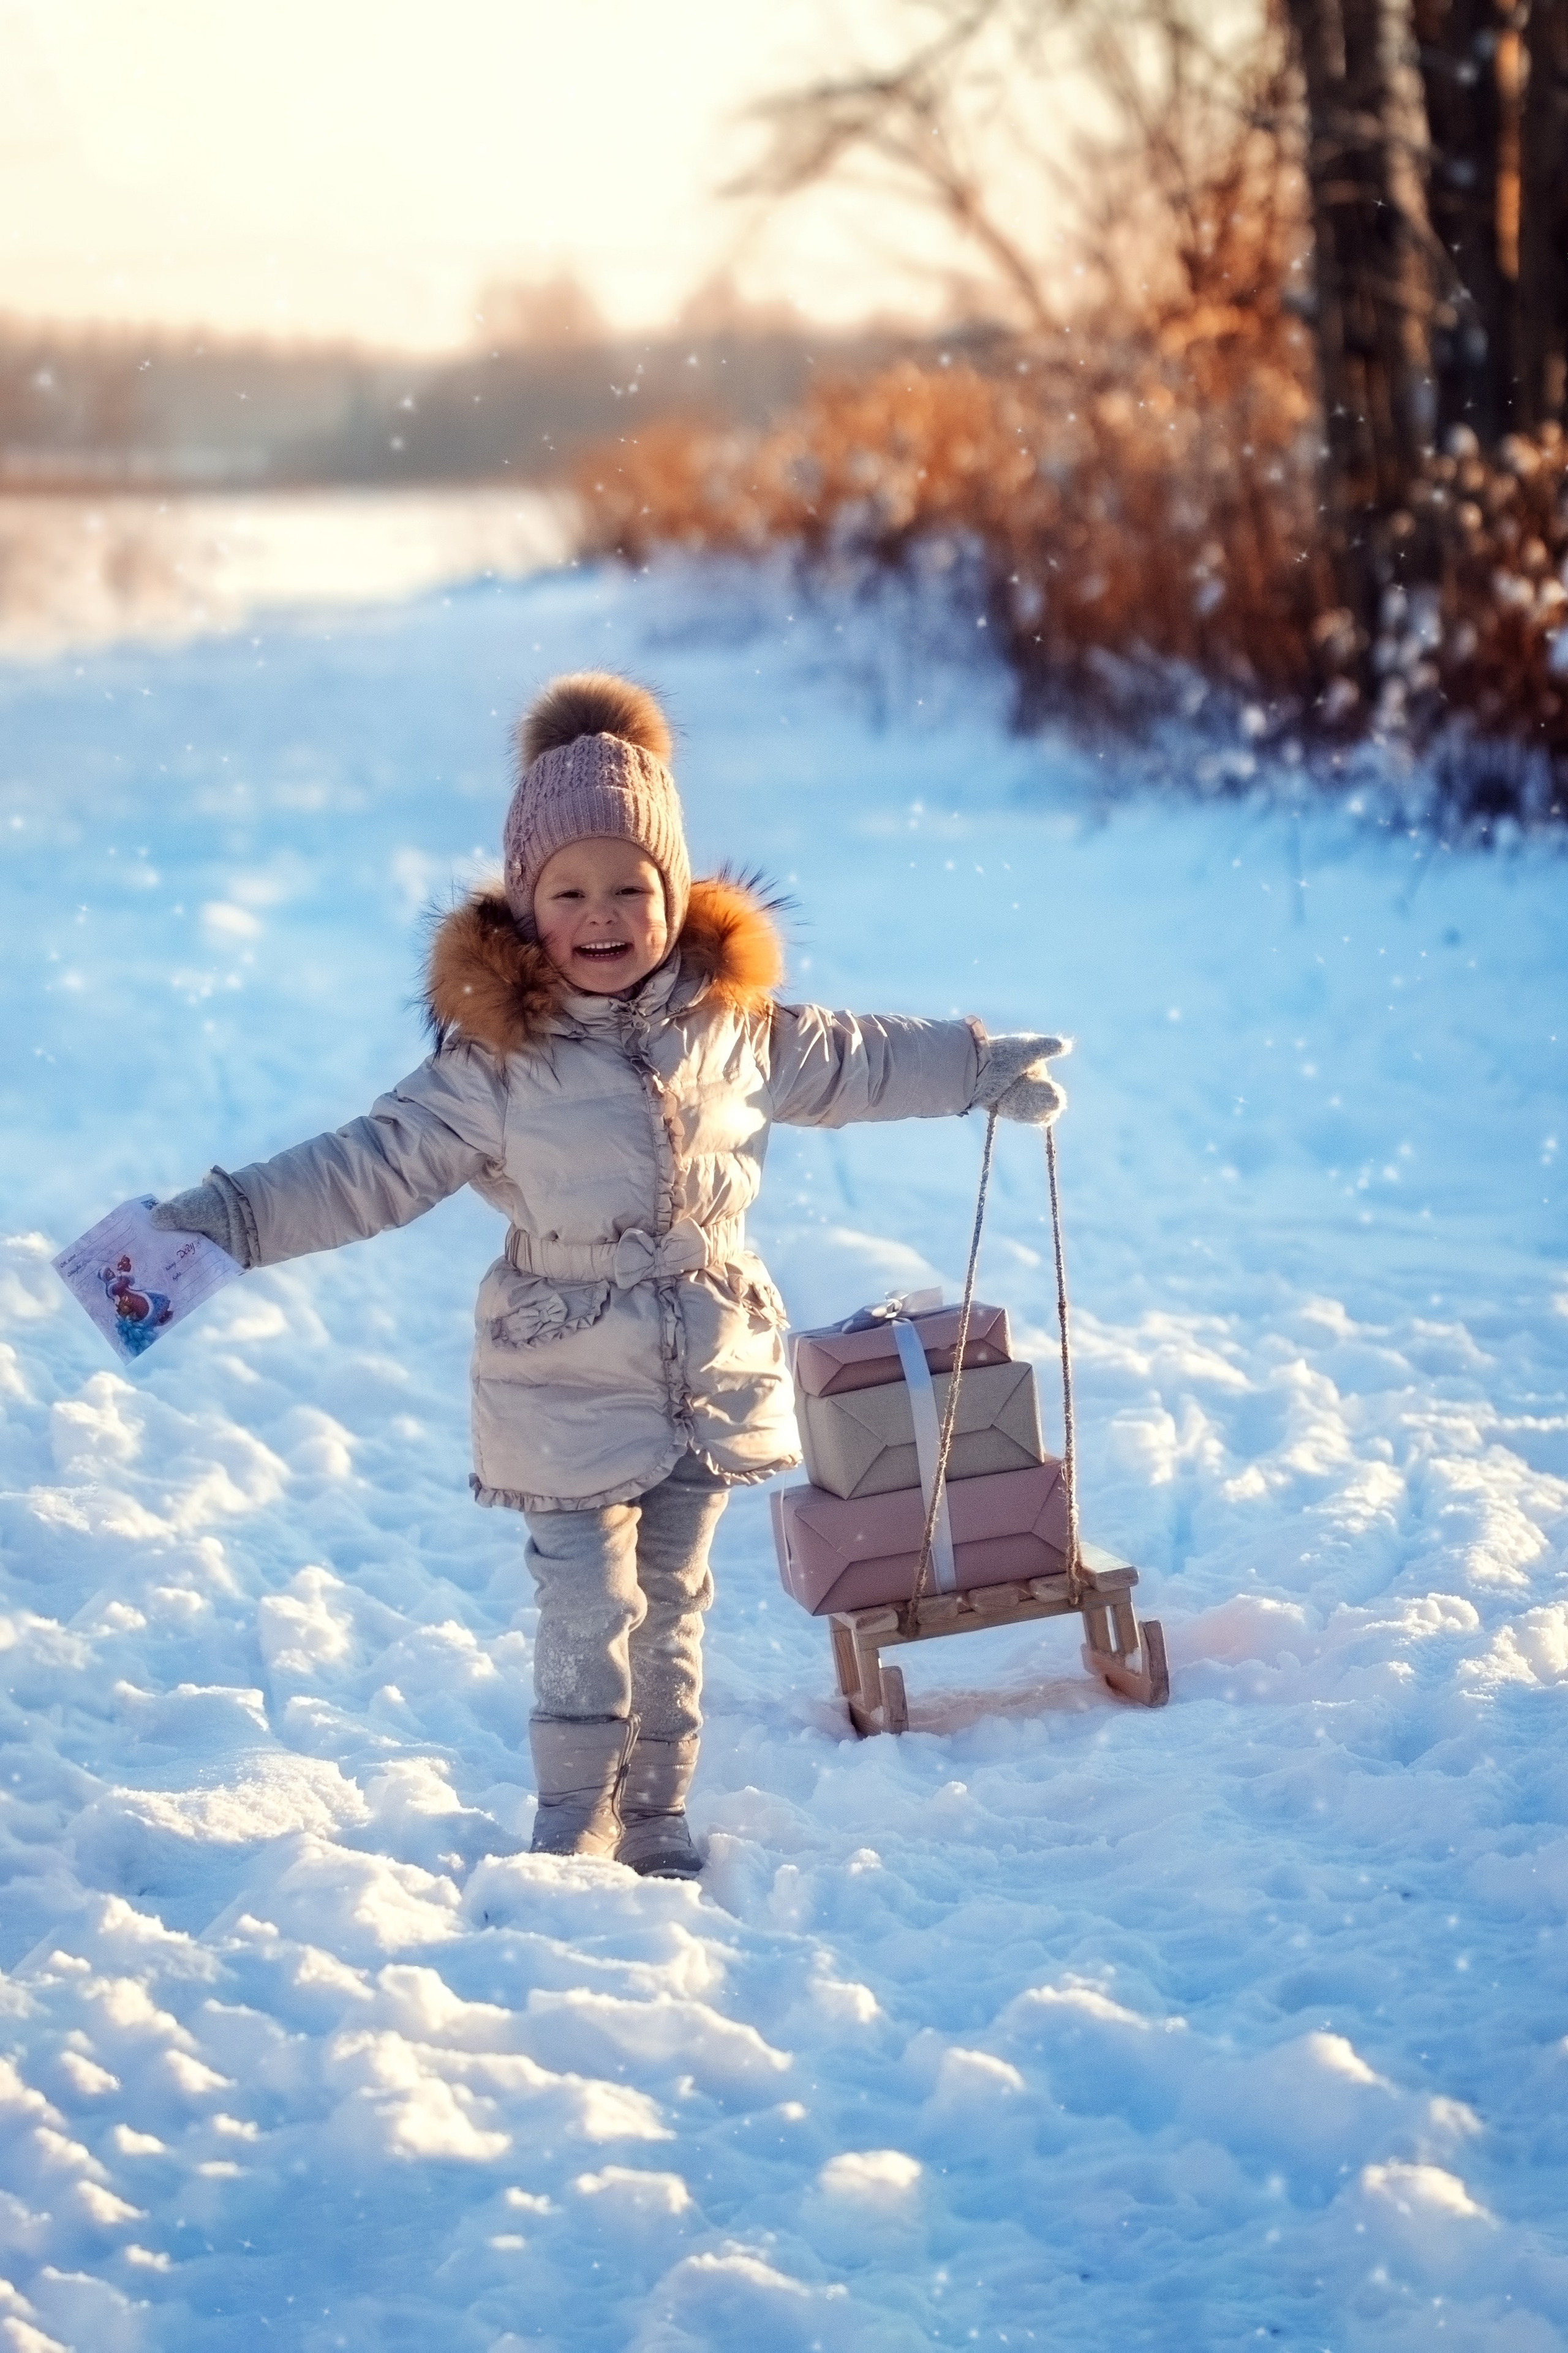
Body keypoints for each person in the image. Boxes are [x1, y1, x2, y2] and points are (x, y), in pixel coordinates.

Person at [151, 671, 1067, 1878]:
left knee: (675, 1604)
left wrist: (978, 1063)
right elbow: (363, 1167)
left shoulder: (730, 1025)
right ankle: (567, 1811)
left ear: (673, 894)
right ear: (525, 908)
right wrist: (214, 1223)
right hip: (562, 1376)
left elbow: (855, 1060)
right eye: (567, 891)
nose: (601, 915)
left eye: (629, 887)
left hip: (706, 1361)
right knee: (588, 1609)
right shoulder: (497, 1064)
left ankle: (655, 1814)